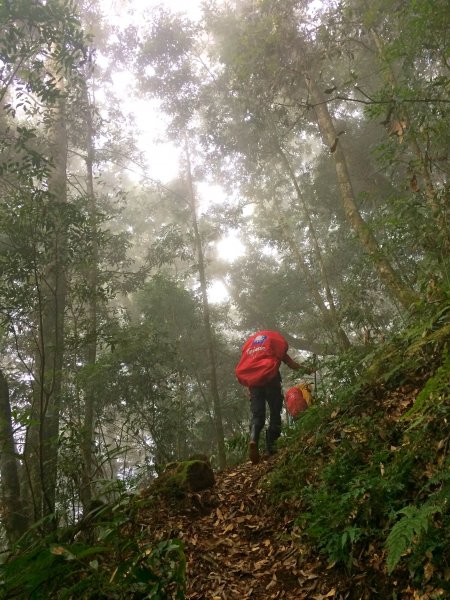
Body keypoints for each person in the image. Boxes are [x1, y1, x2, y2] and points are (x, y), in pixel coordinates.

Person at [235, 330, 305, 464]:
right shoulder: (274, 347)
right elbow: (291, 364)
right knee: (274, 412)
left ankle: (253, 439)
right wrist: (307, 369)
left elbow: (249, 372)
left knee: (257, 415)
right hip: (271, 381)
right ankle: (272, 449)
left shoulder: (252, 352)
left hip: (255, 385)